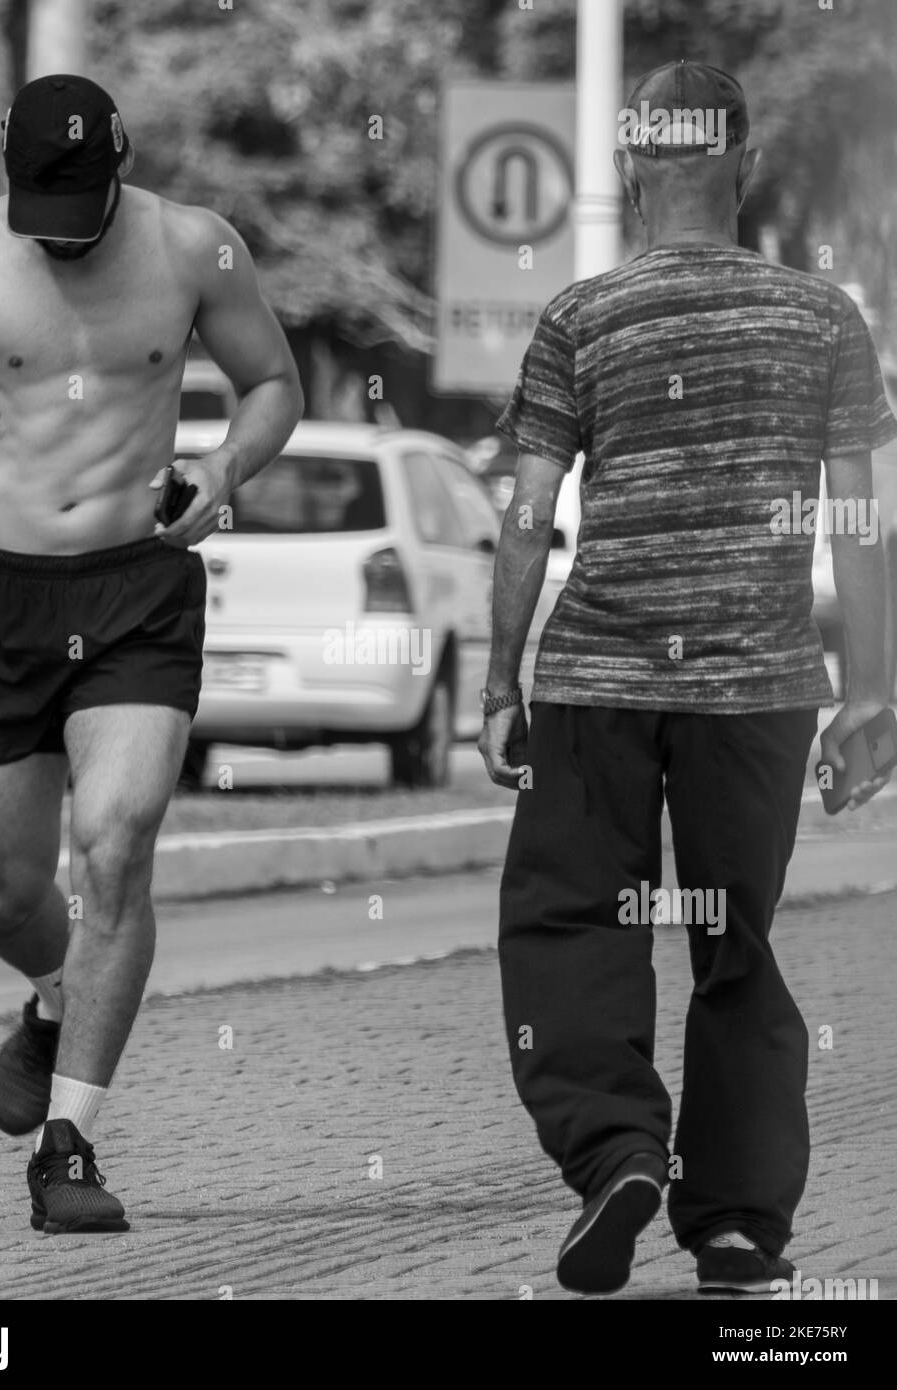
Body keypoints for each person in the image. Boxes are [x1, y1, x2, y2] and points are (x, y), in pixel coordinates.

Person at [0, 74, 303, 1233]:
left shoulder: (196, 250)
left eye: (80, 203)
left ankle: (69, 1145)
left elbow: (273, 383)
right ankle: (51, 993)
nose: (58, 231)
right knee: (9, 894)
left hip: (135, 591)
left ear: (121, 163)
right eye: (39, 204)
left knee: (115, 843)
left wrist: (226, 467)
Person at [478, 61, 896, 1295]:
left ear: (628, 167)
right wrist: (871, 694)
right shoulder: (822, 319)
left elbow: (523, 512)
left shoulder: (579, 316)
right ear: (743, 161)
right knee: (735, 948)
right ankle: (733, 1230)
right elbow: (861, 524)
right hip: (757, 685)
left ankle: (616, 1151)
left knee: (567, 922)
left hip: (600, 676)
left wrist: (498, 681)